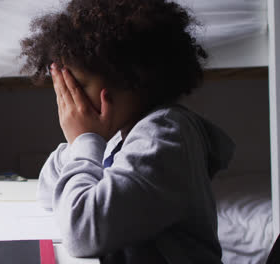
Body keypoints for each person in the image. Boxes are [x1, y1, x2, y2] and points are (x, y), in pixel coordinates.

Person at [21, 0, 235, 263]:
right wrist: (82, 144)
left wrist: (85, 140)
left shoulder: (164, 136)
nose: (69, 99)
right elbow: (46, 192)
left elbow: (82, 233)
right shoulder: (118, 135)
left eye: (78, 85)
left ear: (133, 78)